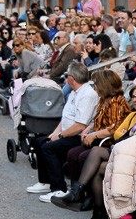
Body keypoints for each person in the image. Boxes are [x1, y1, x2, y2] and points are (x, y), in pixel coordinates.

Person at [57, 81, 136, 219]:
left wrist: (116, 145)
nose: (134, 100)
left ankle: (79, 194)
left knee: (95, 152)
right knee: (98, 168)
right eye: (133, 96)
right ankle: (97, 213)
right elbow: (123, 136)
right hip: (125, 153)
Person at [49, 69, 130, 205]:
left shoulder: (117, 102)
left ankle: (89, 196)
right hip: (98, 137)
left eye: (97, 84)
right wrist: (88, 129)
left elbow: (115, 127)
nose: (95, 87)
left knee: (82, 157)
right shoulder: (103, 100)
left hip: (108, 141)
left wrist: (94, 134)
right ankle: (76, 192)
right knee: (73, 154)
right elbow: (96, 120)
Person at [27, 62, 99, 197]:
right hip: (67, 133)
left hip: (78, 136)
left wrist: (60, 136)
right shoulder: (74, 92)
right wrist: (54, 133)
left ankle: (59, 188)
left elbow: (80, 125)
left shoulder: (88, 94)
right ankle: (46, 182)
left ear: (72, 78)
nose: (66, 79)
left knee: (49, 148)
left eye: (67, 77)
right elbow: (65, 118)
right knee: (39, 141)